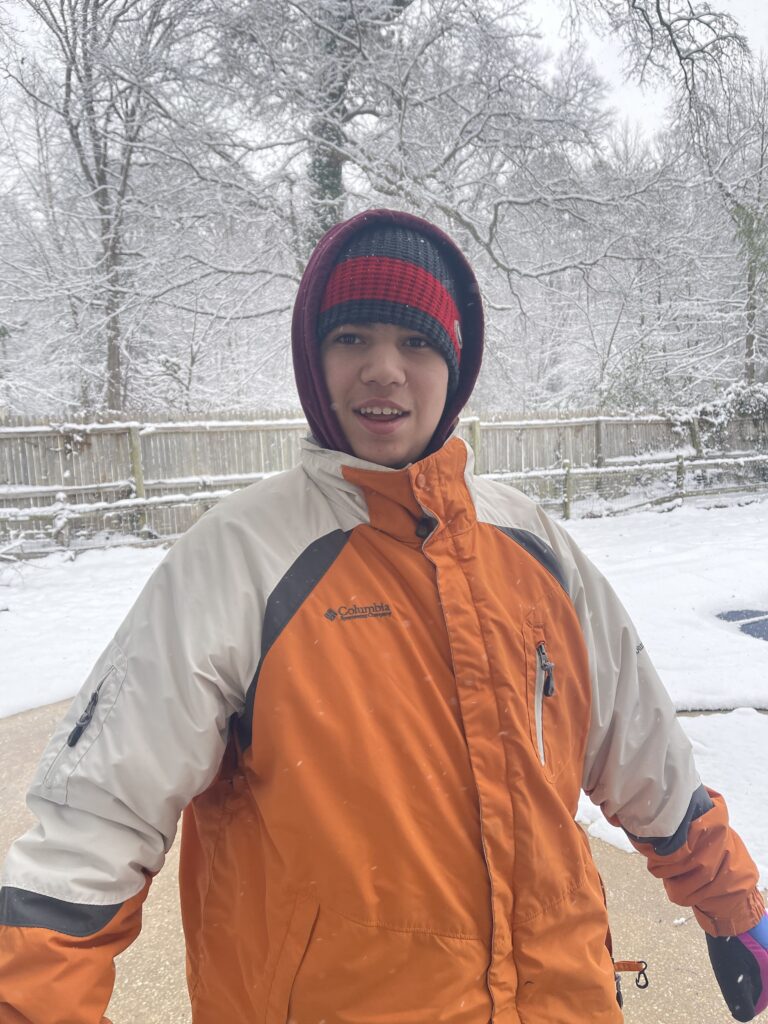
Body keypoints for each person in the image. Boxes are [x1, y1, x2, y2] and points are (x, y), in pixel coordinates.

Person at [0, 208, 766, 1024]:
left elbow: (640, 744)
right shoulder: (240, 558)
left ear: (455, 363)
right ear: (312, 357)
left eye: (416, 342)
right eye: (352, 338)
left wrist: (733, 901)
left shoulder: (533, 546)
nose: (384, 370)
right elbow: (95, 821)